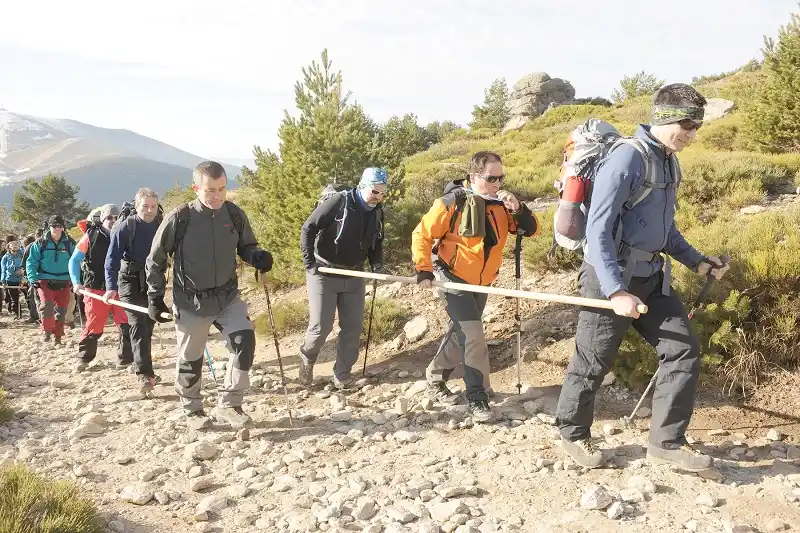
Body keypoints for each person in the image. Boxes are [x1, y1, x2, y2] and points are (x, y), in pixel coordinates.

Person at [554, 84, 731, 471]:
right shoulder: (626, 160)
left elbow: (665, 231)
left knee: (682, 350)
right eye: (686, 123)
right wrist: (616, 290)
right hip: (609, 278)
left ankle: (666, 442)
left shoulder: (669, 161)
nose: (691, 133)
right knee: (593, 360)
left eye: (696, 125)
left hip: (652, 277)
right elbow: (598, 230)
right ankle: (572, 433)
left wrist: (697, 262)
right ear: (664, 116)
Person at [411, 152, 539, 422]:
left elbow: (530, 230)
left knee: (462, 334)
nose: (497, 183)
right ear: (473, 177)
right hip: (451, 276)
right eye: (491, 178)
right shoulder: (452, 202)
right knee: (473, 334)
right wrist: (423, 269)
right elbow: (422, 234)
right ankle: (478, 396)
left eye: (500, 177)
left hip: (482, 282)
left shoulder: (501, 204)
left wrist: (519, 209)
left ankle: (435, 378)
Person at [146, 161, 273, 430]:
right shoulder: (180, 218)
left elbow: (246, 246)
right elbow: (156, 259)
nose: (216, 196)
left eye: (222, 189)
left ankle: (229, 404)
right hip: (191, 300)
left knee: (244, 342)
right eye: (210, 190)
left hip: (227, 296)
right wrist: (154, 297)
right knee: (191, 359)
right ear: (196, 188)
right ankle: (192, 408)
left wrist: (257, 257)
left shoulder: (234, 214)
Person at [298, 168, 387, 390]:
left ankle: (342, 374)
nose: (379, 196)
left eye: (384, 192)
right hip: (324, 272)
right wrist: (310, 265)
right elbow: (308, 228)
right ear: (363, 186)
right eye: (375, 191)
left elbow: (376, 241)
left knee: (352, 327)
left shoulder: (377, 210)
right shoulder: (339, 201)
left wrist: (376, 264)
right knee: (321, 327)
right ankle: (307, 357)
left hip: (354, 274)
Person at [105, 188, 163, 390]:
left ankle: (145, 367)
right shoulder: (126, 227)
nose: (149, 210)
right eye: (145, 206)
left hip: (153, 280)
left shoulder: (161, 224)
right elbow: (111, 259)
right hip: (129, 280)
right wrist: (111, 288)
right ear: (137, 206)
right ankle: (145, 374)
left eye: (153, 206)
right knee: (137, 324)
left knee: (148, 324)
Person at [69, 204, 134, 373]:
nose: (113, 221)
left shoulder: (125, 234)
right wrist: (76, 281)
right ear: (102, 219)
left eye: (115, 217)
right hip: (95, 288)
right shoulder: (91, 236)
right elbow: (74, 261)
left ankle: (125, 360)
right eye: (109, 218)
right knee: (94, 325)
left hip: (121, 287)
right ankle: (84, 358)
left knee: (126, 324)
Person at [26, 215, 75, 344]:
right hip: (44, 279)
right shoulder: (40, 243)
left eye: (60, 226)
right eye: (54, 226)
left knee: (62, 309)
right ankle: (46, 332)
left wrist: (77, 281)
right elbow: (31, 262)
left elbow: (76, 262)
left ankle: (58, 335)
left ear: (63, 227)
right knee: (46, 306)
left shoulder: (70, 243)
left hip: (65, 280)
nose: (57, 229)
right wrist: (32, 279)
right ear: (49, 227)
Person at [1, 239, 24, 318]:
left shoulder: (22, 255)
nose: (15, 252)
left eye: (17, 250)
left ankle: (34, 315)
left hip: (22, 279)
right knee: (15, 298)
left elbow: (27, 266)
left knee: (28, 296)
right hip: (10, 280)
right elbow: (3, 270)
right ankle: (18, 314)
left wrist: (22, 272)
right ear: (9, 249)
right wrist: (3, 281)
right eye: (13, 250)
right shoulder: (6, 257)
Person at [20, 235, 38, 323]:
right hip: (45, 276)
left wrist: (24, 280)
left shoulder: (29, 246)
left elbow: (24, 265)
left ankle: (34, 316)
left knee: (32, 296)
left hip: (33, 277)